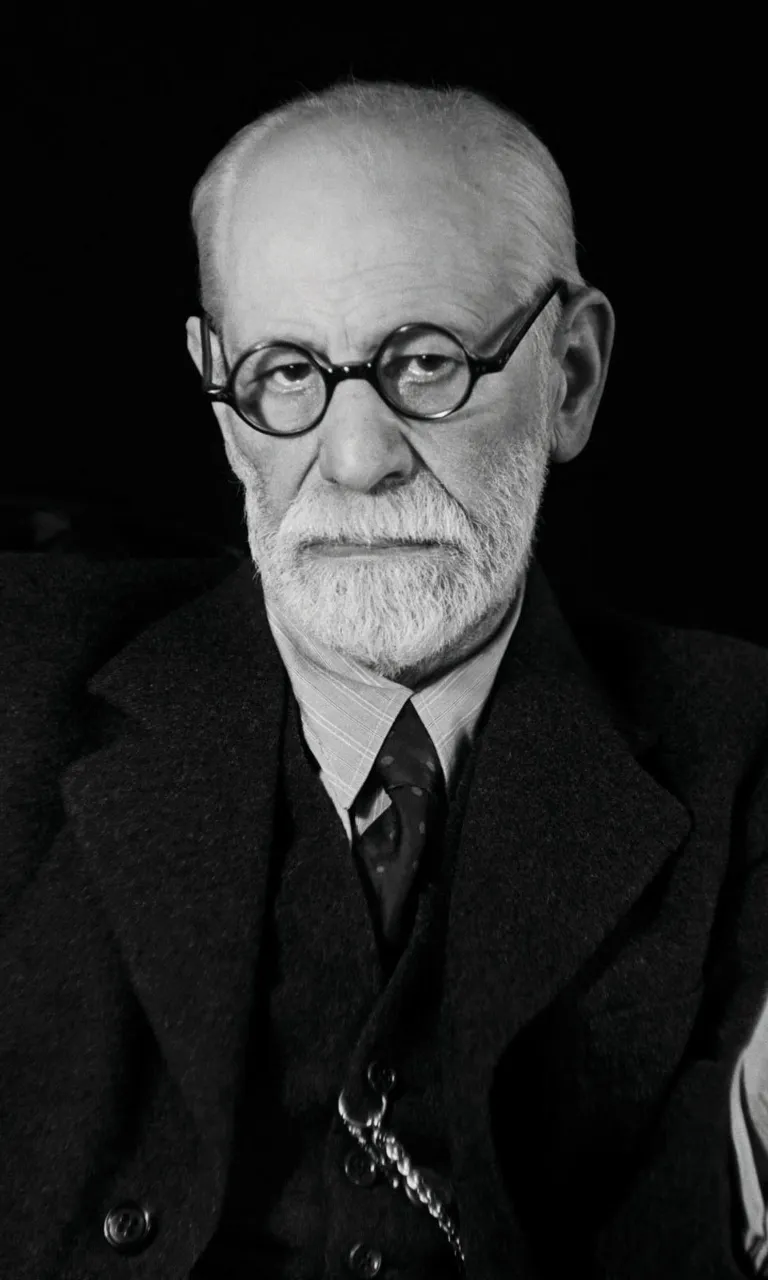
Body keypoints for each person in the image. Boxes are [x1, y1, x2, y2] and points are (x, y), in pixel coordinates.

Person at [0, 76, 766, 1280]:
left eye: (425, 362)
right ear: (219, 397)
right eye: (286, 375)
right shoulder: (16, 677)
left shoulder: (747, 748)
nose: (355, 460)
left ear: (570, 375)